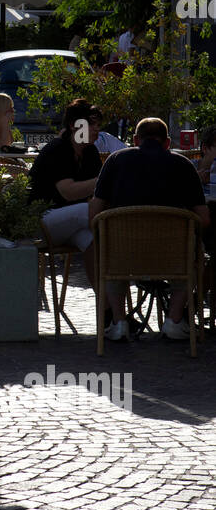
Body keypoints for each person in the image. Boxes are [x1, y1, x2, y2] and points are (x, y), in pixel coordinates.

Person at [90, 116, 210, 342]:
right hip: (172, 257)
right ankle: (175, 319)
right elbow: (203, 219)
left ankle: (118, 322)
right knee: (196, 255)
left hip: (124, 256)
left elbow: (94, 214)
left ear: (136, 140)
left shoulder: (115, 161)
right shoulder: (183, 165)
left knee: (107, 250)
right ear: (167, 143)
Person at [28, 99, 102, 286]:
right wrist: (104, 180)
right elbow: (68, 192)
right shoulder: (58, 150)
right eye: (91, 124)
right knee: (87, 211)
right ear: (73, 125)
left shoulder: (91, 153)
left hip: (70, 224)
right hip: (40, 222)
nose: (96, 129)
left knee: (92, 241)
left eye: (98, 124)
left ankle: (105, 302)